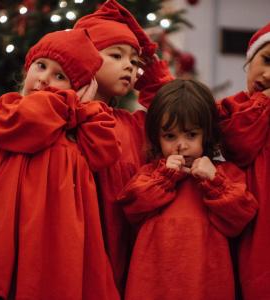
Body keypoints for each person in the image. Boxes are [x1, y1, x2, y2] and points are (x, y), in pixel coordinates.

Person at [0, 29, 121, 300]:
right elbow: (35, 117)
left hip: (62, 241)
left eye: (60, 76)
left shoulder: (79, 124)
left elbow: (105, 152)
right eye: (41, 66)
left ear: (79, 90)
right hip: (14, 238)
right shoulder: (8, 110)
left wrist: (84, 108)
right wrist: (69, 102)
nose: (44, 79)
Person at [117, 79, 258, 300]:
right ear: (157, 138)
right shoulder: (150, 174)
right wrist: (165, 176)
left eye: (191, 135)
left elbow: (241, 216)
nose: (181, 145)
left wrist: (214, 181)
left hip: (206, 284)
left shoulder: (223, 174)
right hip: (152, 284)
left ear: (207, 135)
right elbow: (131, 206)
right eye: (170, 136)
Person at [73, 0, 174, 293]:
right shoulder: (65, 117)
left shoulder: (135, 125)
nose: (130, 65)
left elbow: (176, 109)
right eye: (116, 55)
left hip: (131, 256)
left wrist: (151, 67)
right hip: (84, 256)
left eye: (135, 60)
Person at [217, 22, 270, 300]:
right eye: (267, 60)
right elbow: (239, 145)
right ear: (250, 58)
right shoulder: (232, 109)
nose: (269, 74)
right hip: (242, 232)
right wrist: (263, 104)